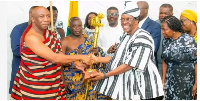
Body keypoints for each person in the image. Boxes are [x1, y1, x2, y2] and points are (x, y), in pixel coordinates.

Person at [10, 6, 90, 100]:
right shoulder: (31, 37)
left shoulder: (48, 33)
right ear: (33, 19)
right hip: (36, 88)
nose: (46, 19)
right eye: (41, 16)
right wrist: (81, 57)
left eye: (48, 16)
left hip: (53, 85)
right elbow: (54, 58)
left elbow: (58, 54)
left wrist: (74, 63)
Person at [88, 2, 164, 100]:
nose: (124, 22)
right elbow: (118, 57)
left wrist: (105, 75)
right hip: (128, 88)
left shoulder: (143, 37)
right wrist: (97, 59)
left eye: (128, 19)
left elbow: (130, 64)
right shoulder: (125, 36)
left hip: (143, 90)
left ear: (136, 20)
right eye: (123, 19)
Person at [61, 17, 107, 100]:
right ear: (69, 27)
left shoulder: (88, 39)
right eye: (74, 26)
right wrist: (62, 81)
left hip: (89, 77)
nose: (77, 28)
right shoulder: (64, 42)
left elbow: (100, 56)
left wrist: (96, 52)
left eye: (79, 26)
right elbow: (60, 61)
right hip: (72, 80)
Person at [161, 15, 197, 100]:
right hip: (170, 80)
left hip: (185, 81)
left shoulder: (188, 41)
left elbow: (196, 62)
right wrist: (163, 81)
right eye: (161, 29)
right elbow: (164, 61)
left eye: (165, 29)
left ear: (173, 29)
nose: (162, 32)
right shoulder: (165, 41)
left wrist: (196, 84)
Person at [9, 6, 38, 94]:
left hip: (36, 77)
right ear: (31, 15)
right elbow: (16, 51)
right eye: (40, 16)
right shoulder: (19, 29)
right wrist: (39, 50)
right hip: (20, 75)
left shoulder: (42, 31)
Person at [137, 1, 161, 67]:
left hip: (147, 65)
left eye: (138, 9)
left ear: (146, 10)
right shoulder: (132, 24)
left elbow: (154, 48)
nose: (136, 12)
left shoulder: (155, 25)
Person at [180, 9, 197, 100]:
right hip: (185, 78)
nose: (181, 24)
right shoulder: (182, 37)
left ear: (191, 20)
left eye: (183, 21)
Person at [155, 3, 173, 77]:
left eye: (165, 13)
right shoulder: (155, 25)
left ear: (172, 14)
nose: (162, 15)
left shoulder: (177, 25)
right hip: (159, 63)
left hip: (174, 64)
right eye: (161, 13)